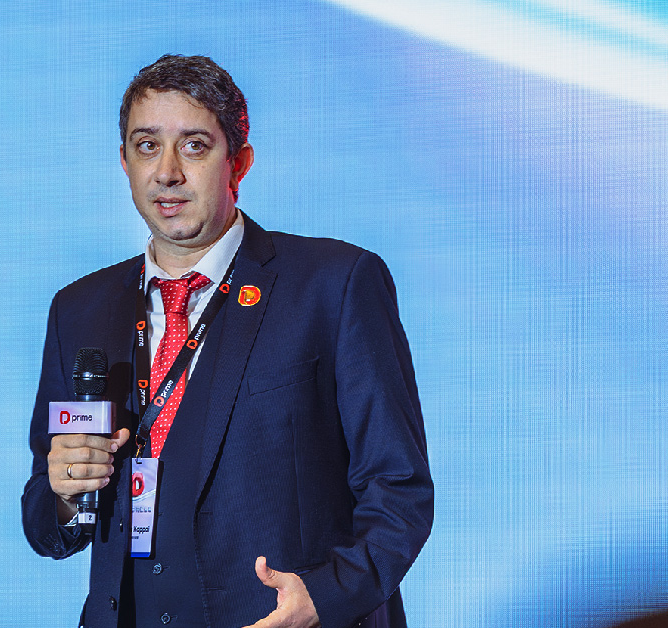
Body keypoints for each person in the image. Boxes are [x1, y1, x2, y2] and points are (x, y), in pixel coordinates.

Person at [22, 54, 434, 628]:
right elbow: (45, 521)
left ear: (238, 163)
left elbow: (399, 489)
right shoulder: (80, 309)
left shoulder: (333, 284)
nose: (167, 172)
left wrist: (326, 598)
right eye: (147, 146)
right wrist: (66, 493)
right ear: (124, 161)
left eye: (194, 146)